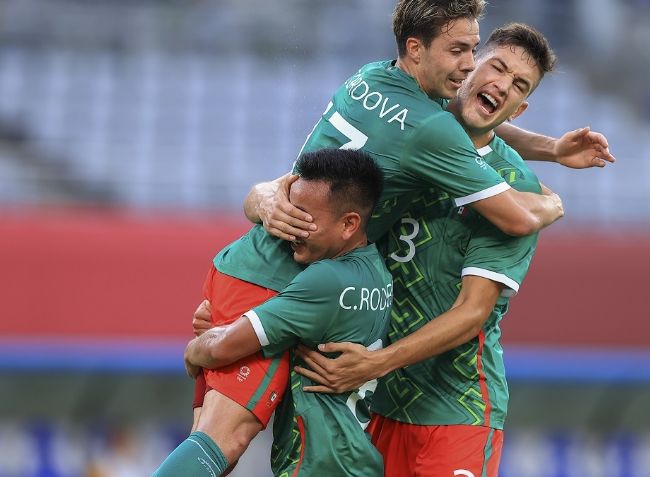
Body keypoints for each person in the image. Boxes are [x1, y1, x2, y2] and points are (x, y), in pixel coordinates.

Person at [295, 23, 558, 476]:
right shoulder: (404, 136)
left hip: (457, 410)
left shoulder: (513, 188)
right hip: (381, 402)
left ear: (520, 108)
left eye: (519, 85)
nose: (502, 85)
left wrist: (374, 362)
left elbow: (472, 312)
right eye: (497, 67)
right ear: (470, 65)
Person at [152, 148, 389, 477]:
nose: (287, 226)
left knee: (223, 440)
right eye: (288, 210)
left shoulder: (325, 281)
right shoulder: (378, 274)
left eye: (303, 218)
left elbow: (222, 347)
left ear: (349, 224)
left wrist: (195, 348)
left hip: (316, 466)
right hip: (357, 462)